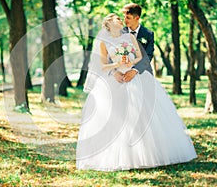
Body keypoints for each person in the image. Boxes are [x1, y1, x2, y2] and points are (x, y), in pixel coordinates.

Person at [76, 13, 197, 171]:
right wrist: (115, 69)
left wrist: (130, 65)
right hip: (116, 79)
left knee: (144, 113)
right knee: (116, 115)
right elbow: (103, 66)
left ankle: (149, 152)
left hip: (135, 77)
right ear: (108, 25)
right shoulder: (104, 44)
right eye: (117, 19)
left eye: (121, 18)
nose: (121, 20)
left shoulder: (130, 38)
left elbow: (140, 57)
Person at [113, 3, 154, 83]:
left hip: (142, 73)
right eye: (124, 17)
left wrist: (135, 70)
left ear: (137, 18)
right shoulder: (119, 33)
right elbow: (111, 55)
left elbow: (148, 55)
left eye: (128, 18)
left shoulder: (148, 34)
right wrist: (115, 72)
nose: (125, 20)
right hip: (121, 75)